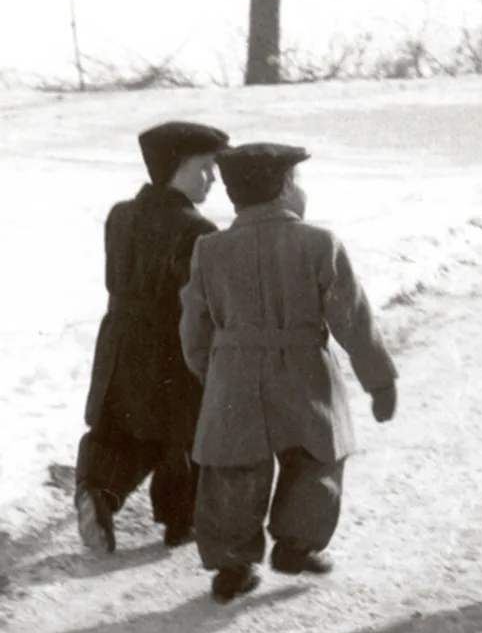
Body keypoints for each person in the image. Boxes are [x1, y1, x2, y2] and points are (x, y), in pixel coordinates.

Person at [179, 143, 399, 602]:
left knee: (231, 467)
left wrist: (208, 371)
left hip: (234, 371)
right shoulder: (319, 244)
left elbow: (194, 323)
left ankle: (232, 564)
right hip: (303, 370)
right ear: (283, 189)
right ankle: (297, 543)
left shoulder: (210, 249)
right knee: (318, 456)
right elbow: (352, 320)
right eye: (297, 181)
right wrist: (378, 379)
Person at [76, 121, 231, 554]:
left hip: (118, 335)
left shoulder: (120, 215)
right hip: (171, 342)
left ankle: (98, 489)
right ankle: (180, 520)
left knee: (119, 423)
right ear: (179, 167)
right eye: (206, 168)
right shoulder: (198, 231)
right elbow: (202, 301)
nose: (213, 179)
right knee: (182, 430)